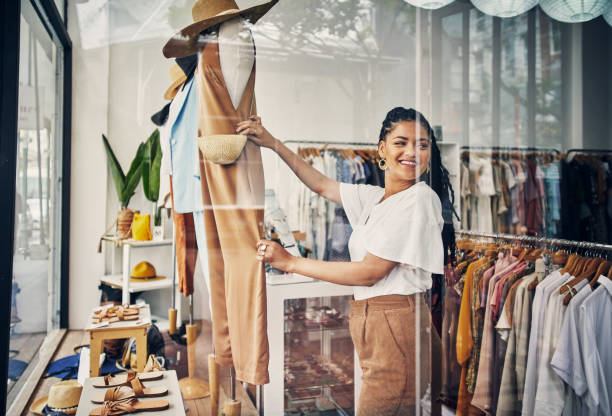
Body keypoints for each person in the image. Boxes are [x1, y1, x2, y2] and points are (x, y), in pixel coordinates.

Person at [237, 107, 455, 415]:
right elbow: (321, 185)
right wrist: (273, 143)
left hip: (396, 328)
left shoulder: (419, 200)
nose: (412, 152)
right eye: (401, 142)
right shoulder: (377, 198)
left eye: (422, 145)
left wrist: (290, 262)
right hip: (380, 327)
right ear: (382, 148)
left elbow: (370, 272)